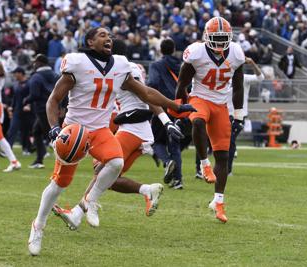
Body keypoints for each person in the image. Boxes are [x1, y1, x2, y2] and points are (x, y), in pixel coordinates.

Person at [28, 27, 195, 256]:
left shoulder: (120, 65)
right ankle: (38, 226)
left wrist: (175, 107)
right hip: (75, 129)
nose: (109, 38)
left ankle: (91, 201)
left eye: (110, 35)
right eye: (103, 35)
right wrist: (55, 128)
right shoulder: (77, 63)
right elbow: (53, 100)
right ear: (90, 41)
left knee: (116, 163)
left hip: (99, 130)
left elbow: (146, 93)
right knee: (59, 184)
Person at [52, 39, 185, 224]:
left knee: (101, 170)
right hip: (136, 129)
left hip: (133, 128)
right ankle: (147, 190)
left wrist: (166, 121)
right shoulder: (125, 67)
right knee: (110, 180)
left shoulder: (123, 69)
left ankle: (77, 214)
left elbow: (146, 94)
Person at [176, 17, 245, 223]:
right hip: (200, 98)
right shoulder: (196, 52)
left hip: (221, 105)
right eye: (216, 38)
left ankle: (218, 201)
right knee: (198, 122)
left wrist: (239, 114)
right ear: (206, 37)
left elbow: (239, 85)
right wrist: (179, 108)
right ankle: (204, 164)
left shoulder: (236, 52)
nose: (220, 42)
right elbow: (182, 84)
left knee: (223, 156)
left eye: (223, 38)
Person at [147, 38, 184, 189]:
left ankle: (167, 162)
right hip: (179, 107)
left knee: (156, 141)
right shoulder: (181, 65)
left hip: (162, 107)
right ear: (174, 49)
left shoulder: (156, 65)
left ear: (161, 50)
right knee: (174, 145)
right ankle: (178, 180)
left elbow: (153, 84)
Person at [227, 57, 264, 175]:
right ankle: (225, 167)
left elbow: (260, 77)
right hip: (224, 113)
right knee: (228, 142)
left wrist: (253, 63)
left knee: (230, 141)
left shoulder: (245, 78)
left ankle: (228, 170)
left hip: (239, 115)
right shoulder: (224, 77)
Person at [23, 54, 59, 169]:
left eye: (35, 62)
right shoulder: (56, 75)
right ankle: (39, 159)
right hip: (57, 108)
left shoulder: (36, 77)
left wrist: (26, 100)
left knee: (52, 137)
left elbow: (35, 94)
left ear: (39, 63)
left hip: (43, 109)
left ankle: (65, 159)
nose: (34, 64)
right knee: (37, 131)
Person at [6, 67, 33, 155]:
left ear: (21, 73)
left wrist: (29, 105)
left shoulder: (29, 83)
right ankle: (8, 149)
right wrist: (11, 107)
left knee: (25, 131)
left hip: (26, 112)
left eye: (15, 73)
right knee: (12, 130)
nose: (14, 75)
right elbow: (15, 97)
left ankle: (26, 149)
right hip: (17, 111)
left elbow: (32, 95)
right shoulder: (16, 85)